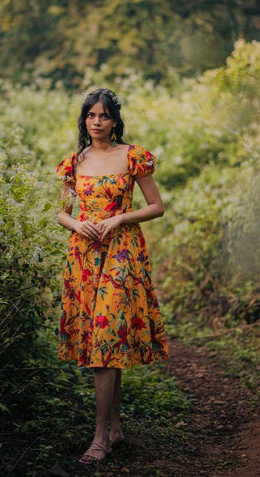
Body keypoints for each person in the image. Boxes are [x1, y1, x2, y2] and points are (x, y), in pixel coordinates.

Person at [56, 88, 168, 464]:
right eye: (91, 116)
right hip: (84, 256)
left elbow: (157, 207)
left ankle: (100, 436)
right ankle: (116, 428)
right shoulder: (75, 162)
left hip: (122, 252)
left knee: (105, 337)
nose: (97, 122)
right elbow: (61, 212)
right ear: (84, 120)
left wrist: (120, 217)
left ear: (115, 120)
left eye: (104, 116)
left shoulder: (131, 156)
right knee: (101, 339)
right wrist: (78, 224)